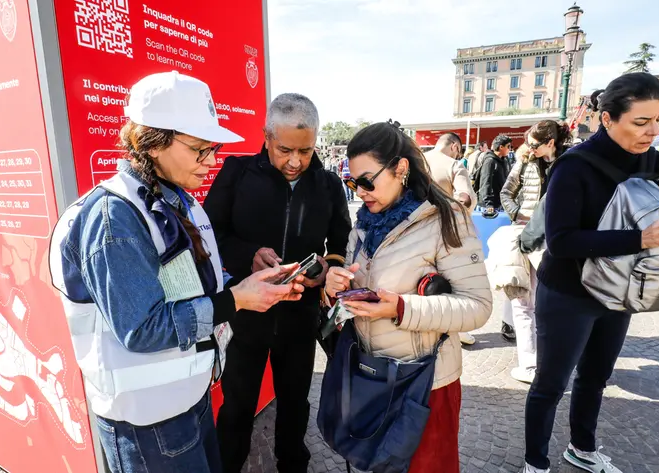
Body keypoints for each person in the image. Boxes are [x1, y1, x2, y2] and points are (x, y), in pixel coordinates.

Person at [49, 72, 305, 473]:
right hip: (145, 422)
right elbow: (142, 329)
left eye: (212, 149)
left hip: (189, 399)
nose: (211, 162)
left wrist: (248, 287)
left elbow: (191, 288)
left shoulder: (179, 201)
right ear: (152, 143)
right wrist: (236, 300)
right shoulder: (114, 219)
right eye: (199, 150)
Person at [521, 73, 659, 473]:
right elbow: (560, 242)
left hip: (622, 290)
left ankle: (581, 448)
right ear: (607, 118)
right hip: (567, 291)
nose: (654, 131)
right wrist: (640, 239)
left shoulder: (656, 162)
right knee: (550, 383)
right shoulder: (573, 166)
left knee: (596, 377)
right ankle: (535, 462)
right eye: (641, 121)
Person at [325, 121, 492, 473]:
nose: (360, 192)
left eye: (367, 181)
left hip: (424, 383)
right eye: (352, 183)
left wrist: (400, 308)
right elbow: (355, 290)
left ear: (400, 168)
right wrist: (335, 289)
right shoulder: (364, 224)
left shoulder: (446, 219)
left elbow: (477, 307)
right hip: (371, 376)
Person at [205, 93, 352, 473]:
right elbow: (209, 235)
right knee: (237, 406)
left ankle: (293, 465)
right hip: (246, 314)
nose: (295, 161)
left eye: (305, 151)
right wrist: (247, 256)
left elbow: (341, 244)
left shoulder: (329, 184)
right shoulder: (237, 173)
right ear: (267, 137)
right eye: (285, 150)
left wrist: (325, 269)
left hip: (300, 318)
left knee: (295, 403)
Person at [499, 121, 570, 384]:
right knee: (522, 301)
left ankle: (549, 360)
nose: (529, 148)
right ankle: (529, 364)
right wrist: (518, 214)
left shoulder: (569, 163)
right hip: (524, 235)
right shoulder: (525, 161)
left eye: (534, 144)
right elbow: (506, 192)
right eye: (528, 143)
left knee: (551, 302)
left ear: (551, 142)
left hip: (554, 239)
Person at [423, 132, 479, 346]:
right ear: (455, 146)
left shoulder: (417, 160)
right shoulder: (454, 165)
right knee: (454, 283)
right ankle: (459, 329)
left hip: (414, 233)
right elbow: (465, 197)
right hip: (444, 234)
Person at [477, 134, 513, 210]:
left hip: (500, 203)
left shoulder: (504, 160)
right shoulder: (490, 161)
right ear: (501, 147)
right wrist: (488, 204)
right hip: (489, 206)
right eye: (508, 146)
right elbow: (485, 183)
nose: (510, 149)